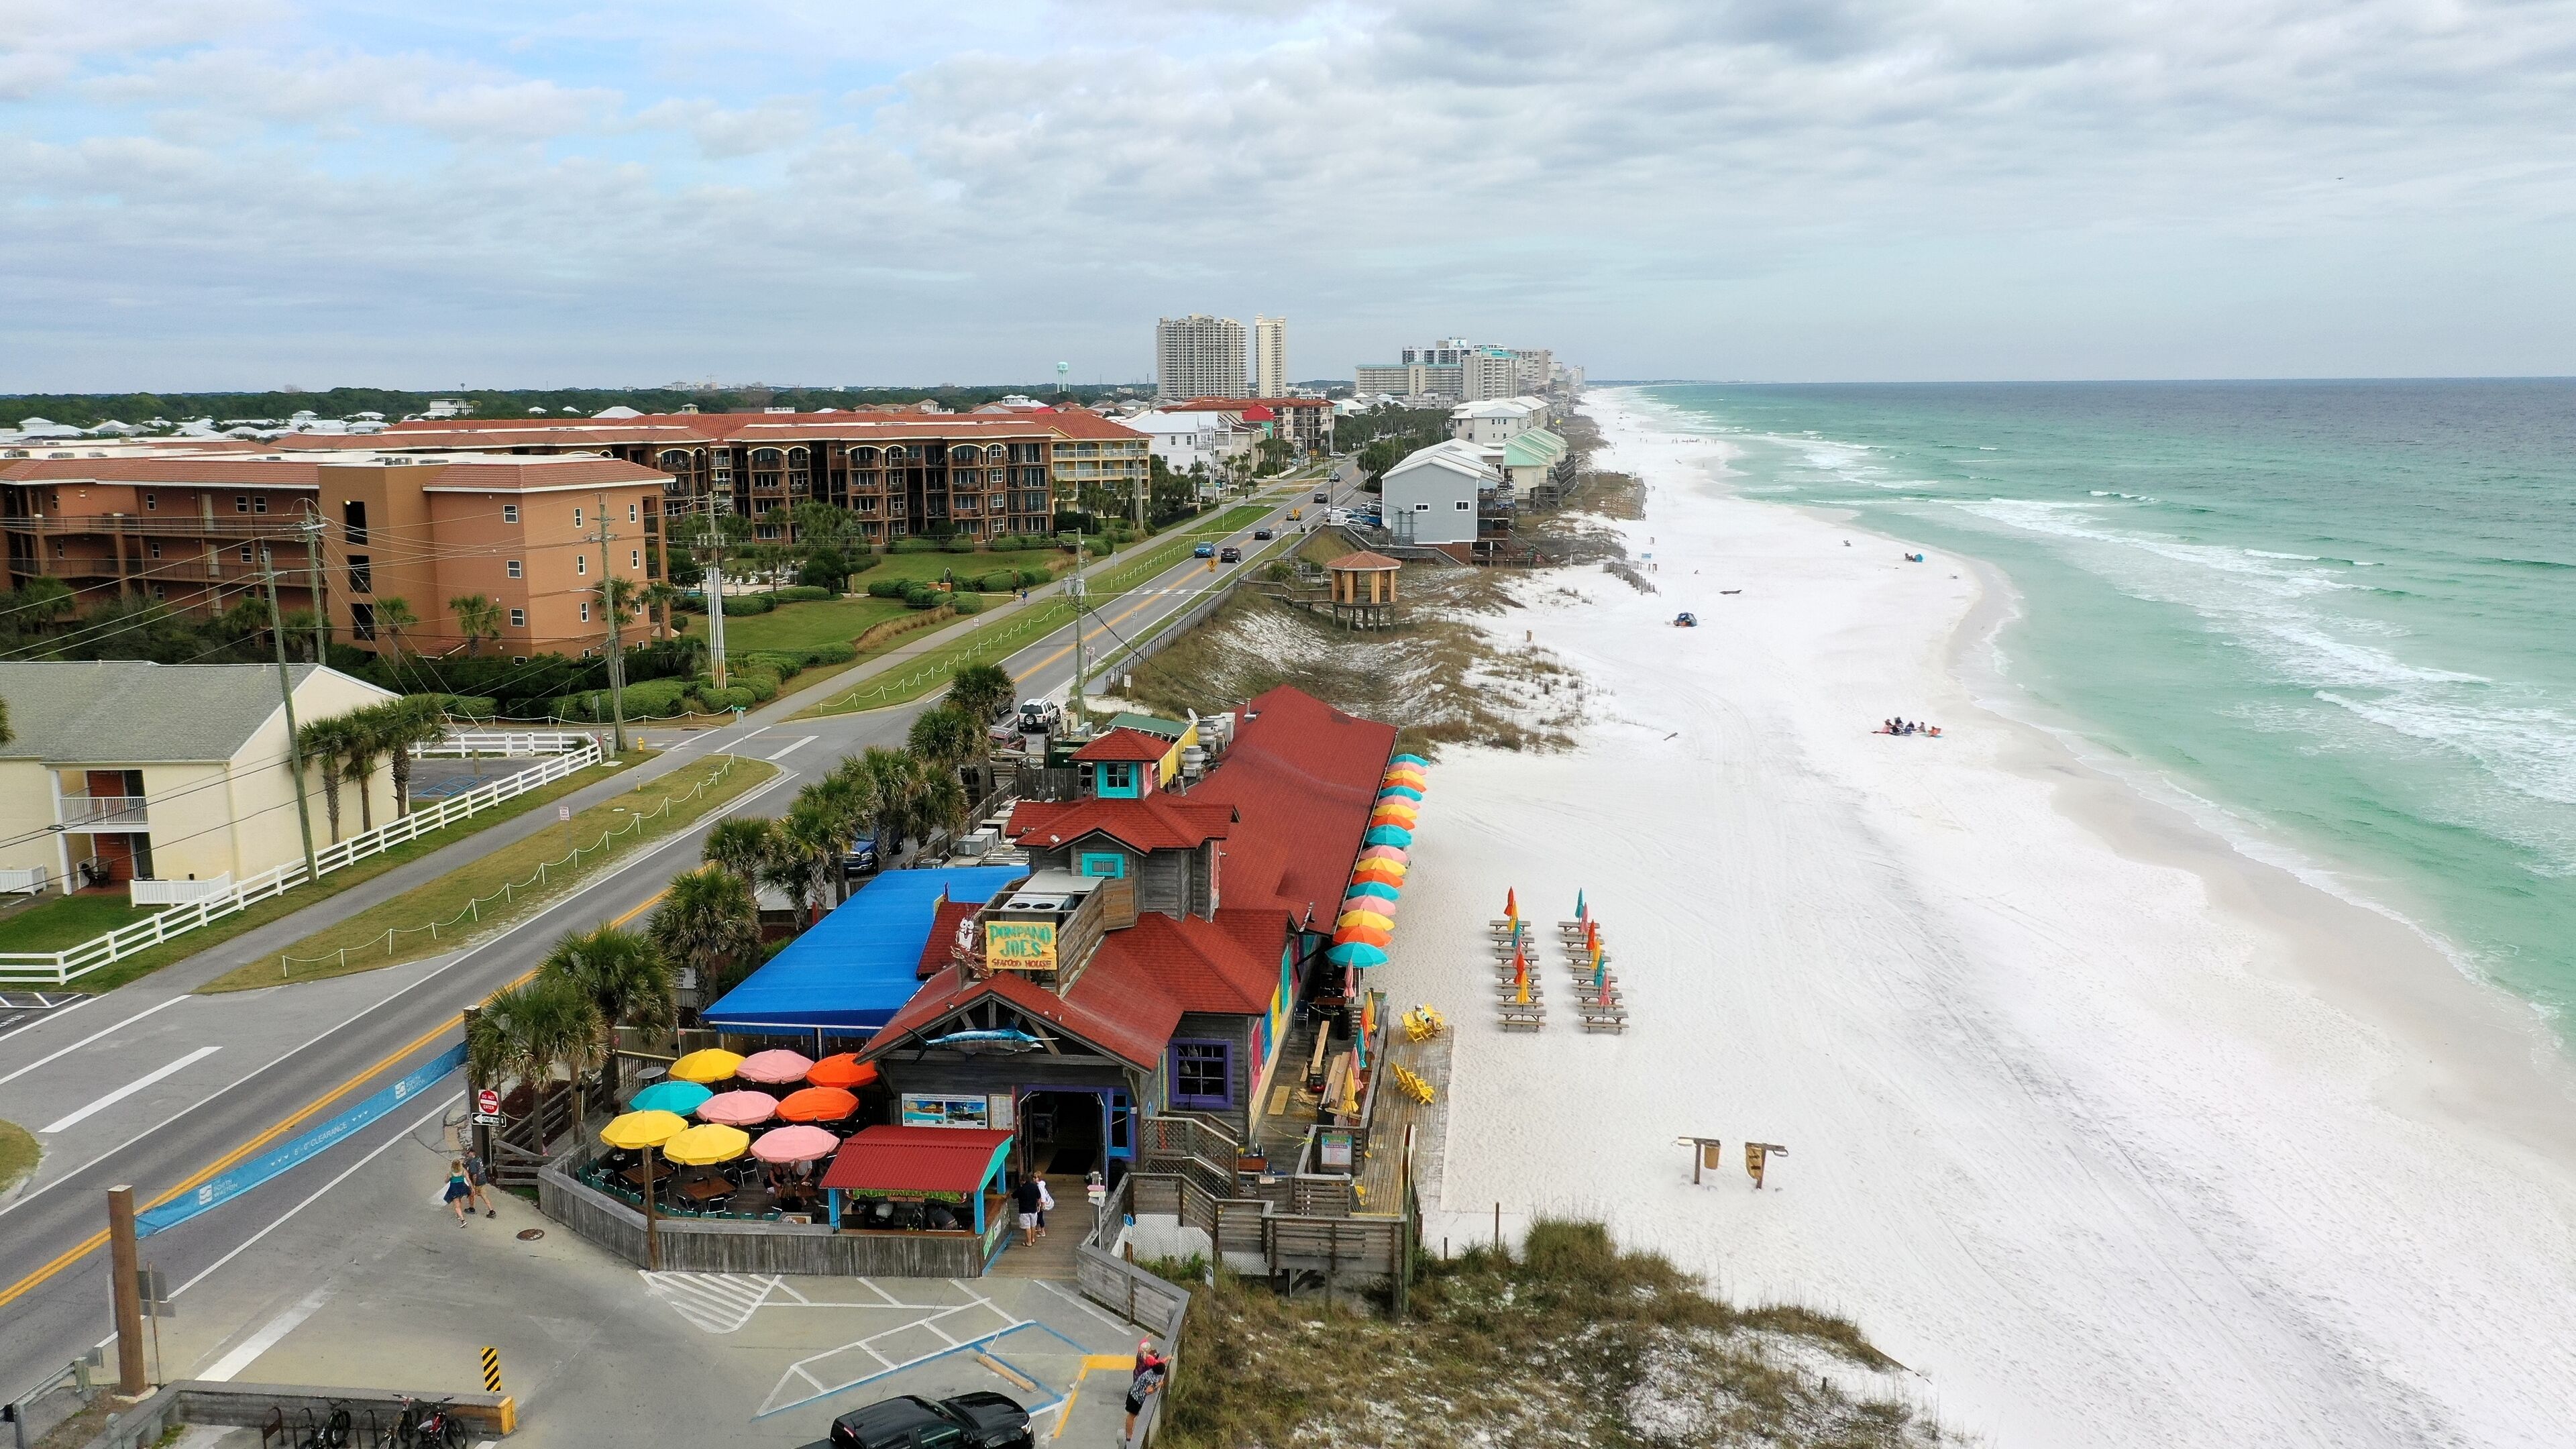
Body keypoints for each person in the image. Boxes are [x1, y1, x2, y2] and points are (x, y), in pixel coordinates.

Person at [1124, 1340, 1169, 1444]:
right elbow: (1149, 1390)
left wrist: (1166, 1359)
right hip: (1136, 1398)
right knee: (1132, 1416)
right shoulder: (1152, 1378)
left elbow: (1158, 1363)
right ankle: (1129, 1436)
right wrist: (1159, 1385)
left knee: (1132, 1416)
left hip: (1133, 1392)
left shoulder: (1151, 1371)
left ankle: (1129, 1434)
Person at [462, 1149, 498, 1218]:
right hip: (483, 1180)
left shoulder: (473, 1163)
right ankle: (492, 1211)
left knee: (471, 1195)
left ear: (472, 1153)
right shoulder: (478, 1158)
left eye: (468, 1153)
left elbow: (474, 1175)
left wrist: (473, 1185)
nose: (467, 1155)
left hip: (477, 1182)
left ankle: (472, 1209)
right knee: (484, 1196)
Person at [1011, 1173, 1043, 1246]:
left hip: (1024, 1211)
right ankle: (1033, 1239)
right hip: (1033, 1210)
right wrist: (1039, 1205)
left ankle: (1029, 1242)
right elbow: (1039, 1197)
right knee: (1033, 1225)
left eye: (1021, 1180)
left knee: (1027, 1227)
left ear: (1024, 1181)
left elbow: (1013, 1196)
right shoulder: (1035, 1187)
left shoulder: (1021, 1189)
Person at [443, 1161, 474, 1226]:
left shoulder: (451, 1173)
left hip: (454, 1189)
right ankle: (458, 1214)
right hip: (462, 1188)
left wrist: (447, 1177)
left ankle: (463, 1220)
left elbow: (446, 1181)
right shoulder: (463, 1171)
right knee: (459, 1200)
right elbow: (469, 1181)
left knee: (457, 1206)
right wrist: (472, 1188)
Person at [1034, 1175, 1056, 1240]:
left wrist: (1042, 1204)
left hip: (1041, 1204)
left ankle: (1042, 1231)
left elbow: (1042, 1196)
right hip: (1041, 1203)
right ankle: (1039, 1228)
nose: (1034, 1179)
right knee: (1039, 1216)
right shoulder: (1042, 1184)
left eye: (1035, 1178)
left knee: (1039, 1217)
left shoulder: (1039, 1186)